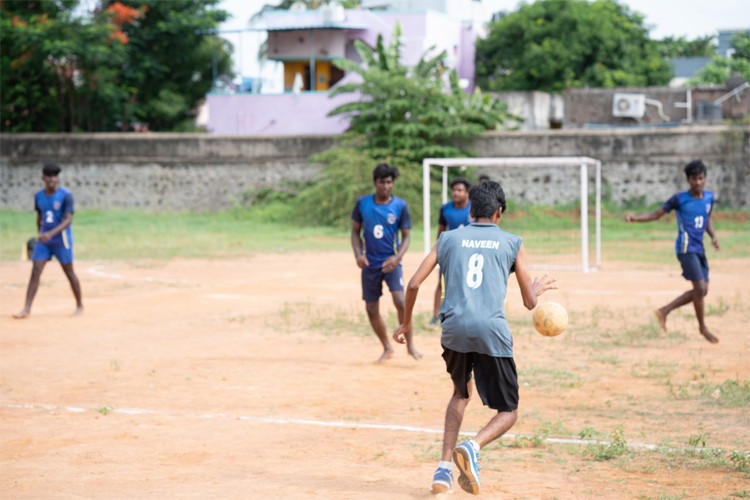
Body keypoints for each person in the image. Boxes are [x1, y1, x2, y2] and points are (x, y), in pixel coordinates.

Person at [393, 181, 555, 495]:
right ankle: (473, 446)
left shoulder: (447, 238)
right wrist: (535, 290)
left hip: (453, 330)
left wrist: (405, 323)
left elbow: (413, 284)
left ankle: (442, 471)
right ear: (499, 213)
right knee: (508, 411)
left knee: (460, 393)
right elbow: (529, 303)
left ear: (470, 210)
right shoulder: (512, 242)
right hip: (490, 331)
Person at [625, 160, 720, 344]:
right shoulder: (679, 199)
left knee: (703, 290)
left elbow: (707, 218)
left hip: (699, 249)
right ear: (688, 180)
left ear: (705, 179)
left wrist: (713, 236)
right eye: (694, 179)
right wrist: (635, 218)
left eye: (701, 178)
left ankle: (664, 311)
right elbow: (656, 214)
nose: (698, 182)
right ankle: (702, 328)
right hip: (685, 248)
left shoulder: (709, 198)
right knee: (699, 288)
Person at [351, 163, 422, 363]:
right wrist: (359, 254)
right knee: (371, 308)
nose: (385, 186)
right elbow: (355, 231)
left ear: (393, 184)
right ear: (375, 183)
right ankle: (387, 347)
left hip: (391, 262)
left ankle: (410, 345)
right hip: (369, 264)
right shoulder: (362, 203)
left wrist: (397, 258)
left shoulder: (400, 206)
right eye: (382, 182)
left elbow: (406, 236)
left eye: (389, 182)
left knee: (400, 301)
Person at [14, 164, 83, 319]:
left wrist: (51, 234)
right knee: (35, 271)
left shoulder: (66, 196)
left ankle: (79, 305)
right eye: (49, 176)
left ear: (57, 179)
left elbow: (68, 220)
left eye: (55, 176)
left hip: (61, 240)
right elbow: (39, 216)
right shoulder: (39, 196)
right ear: (43, 178)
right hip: (45, 240)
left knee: (69, 272)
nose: (52, 179)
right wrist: (41, 233)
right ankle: (26, 308)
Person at [430, 178, 472, 326]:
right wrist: (438, 250)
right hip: (449, 253)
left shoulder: (474, 209)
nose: (456, 193)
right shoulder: (446, 209)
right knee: (442, 284)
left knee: (467, 285)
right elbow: (441, 231)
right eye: (454, 190)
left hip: (468, 253)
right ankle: (435, 316)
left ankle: (465, 314)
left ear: (467, 193)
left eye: (460, 190)